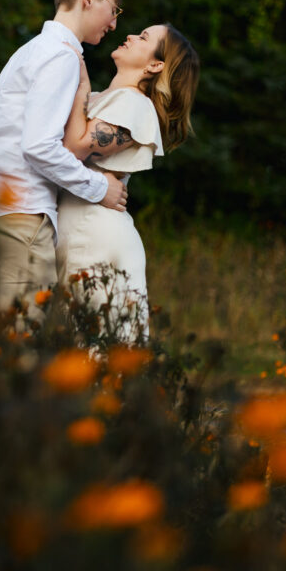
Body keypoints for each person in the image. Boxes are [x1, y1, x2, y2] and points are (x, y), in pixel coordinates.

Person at [0, 0, 129, 318]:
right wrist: (100, 188)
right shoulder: (61, 57)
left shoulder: (28, 51)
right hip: (18, 217)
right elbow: (38, 147)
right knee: (22, 340)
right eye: (113, 10)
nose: (114, 24)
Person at [56, 23, 200, 342]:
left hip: (95, 236)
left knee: (95, 350)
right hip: (78, 229)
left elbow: (74, 147)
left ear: (155, 65)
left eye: (144, 37)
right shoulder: (102, 98)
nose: (131, 36)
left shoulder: (134, 105)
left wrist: (81, 82)